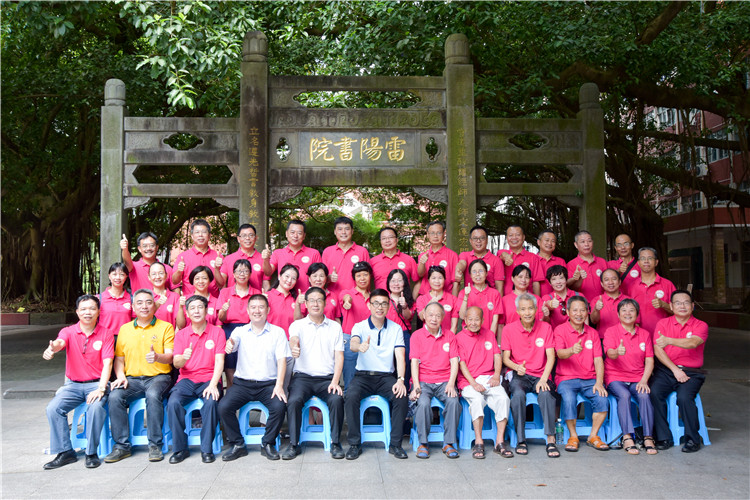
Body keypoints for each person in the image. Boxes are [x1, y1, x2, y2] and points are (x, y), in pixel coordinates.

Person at [42, 294, 114, 469]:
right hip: (73, 385)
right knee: (53, 409)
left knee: (95, 408)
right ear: (77, 312)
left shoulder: (106, 333)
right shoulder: (68, 331)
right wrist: (52, 349)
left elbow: (108, 363)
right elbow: (60, 343)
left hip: (96, 383)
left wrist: (101, 389)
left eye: (92, 309)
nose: (87, 312)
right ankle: (66, 452)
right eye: (83, 309)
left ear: (99, 312)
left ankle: (91, 452)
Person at [104, 289, 174, 463]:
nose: (144, 306)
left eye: (149, 302)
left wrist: (157, 357)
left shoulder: (165, 327)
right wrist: (120, 376)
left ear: (154, 306)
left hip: (158, 377)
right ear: (133, 307)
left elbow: (170, 356)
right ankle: (122, 446)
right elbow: (119, 359)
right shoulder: (125, 329)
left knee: (153, 394)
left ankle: (155, 445)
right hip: (133, 380)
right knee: (115, 396)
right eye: (140, 303)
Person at [218, 294, 290, 461]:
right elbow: (232, 342)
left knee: (279, 406)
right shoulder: (240, 331)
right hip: (242, 385)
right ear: (248, 311)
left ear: (268, 310)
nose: (257, 311)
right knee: (224, 407)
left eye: (261, 307)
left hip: (268, 384)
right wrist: (229, 344)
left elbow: (282, 361)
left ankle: (268, 443)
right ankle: (238, 444)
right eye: (253, 307)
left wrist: (279, 385)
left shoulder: (278, 332)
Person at [344, 289, 409, 460]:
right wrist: (359, 346)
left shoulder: (396, 329)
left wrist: (400, 380)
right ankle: (354, 444)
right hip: (363, 376)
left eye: (384, 304)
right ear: (369, 305)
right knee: (350, 395)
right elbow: (353, 344)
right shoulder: (360, 326)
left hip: (385, 377)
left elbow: (400, 356)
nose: (380, 307)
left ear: (389, 306)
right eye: (376, 303)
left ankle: (395, 444)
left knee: (401, 396)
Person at [282, 287, 346, 460]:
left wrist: (335, 381)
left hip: (327, 379)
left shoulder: (335, 327)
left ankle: (335, 442)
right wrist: (294, 346)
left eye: (319, 300)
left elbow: (339, 356)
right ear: (306, 303)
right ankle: (294, 444)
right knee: (294, 401)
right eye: (311, 300)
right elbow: (293, 339)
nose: (315, 304)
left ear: (325, 303)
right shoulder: (297, 325)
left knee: (336, 399)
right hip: (302, 378)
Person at [166, 295, 225, 464]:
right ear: (187, 313)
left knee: (211, 402)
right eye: (192, 308)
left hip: (209, 379)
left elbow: (220, 361)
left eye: (200, 307)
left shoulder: (217, 332)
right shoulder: (181, 334)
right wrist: (183, 358)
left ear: (206, 310)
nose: (196, 311)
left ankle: (206, 448)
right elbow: (176, 364)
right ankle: (180, 449)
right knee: (173, 403)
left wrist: (213, 385)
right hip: (187, 379)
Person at [501, 293, 559, 458]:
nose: (527, 313)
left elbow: (551, 356)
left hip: (541, 374)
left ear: (536, 310)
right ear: (518, 311)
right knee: (518, 395)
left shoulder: (546, 328)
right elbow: (506, 358)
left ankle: (550, 438)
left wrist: (544, 379)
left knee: (546, 394)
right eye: (523, 309)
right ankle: (521, 439)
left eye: (530, 308)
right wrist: (516, 367)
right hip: (520, 374)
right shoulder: (508, 329)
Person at [650, 290, 708, 453]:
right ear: (671, 306)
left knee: (684, 398)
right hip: (667, 370)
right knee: (654, 392)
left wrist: (669, 340)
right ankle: (663, 437)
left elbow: (693, 343)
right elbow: (658, 350)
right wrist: (674, 369)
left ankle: (692, 439)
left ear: (692, 306)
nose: (682, 306)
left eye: (686, 303)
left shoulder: (700, 325)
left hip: (692, 372)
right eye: (678, 303)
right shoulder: (663, 324)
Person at [554, 296, 610, 452]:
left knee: (602, 398)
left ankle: (593, 435)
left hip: (590, 378)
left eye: (582, 310)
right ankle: (573, 436)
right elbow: (559, 353)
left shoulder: (593, 333)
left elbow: (598, 360)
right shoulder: (560, 330)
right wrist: (572, 350)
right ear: (568, 312)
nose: (579, 314)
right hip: (566, 378)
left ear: (587, 312)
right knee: (569, 398)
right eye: (575, 310)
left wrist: (599, 382)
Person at [456, 307, 512, 459]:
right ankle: (478, 441)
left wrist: (496, 375)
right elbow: (462, 364)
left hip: (489, 378)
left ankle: (499, 441)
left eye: (477, 319)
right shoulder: (459, 338)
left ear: (482, 320)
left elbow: (497, 356)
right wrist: (473, 383)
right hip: (469, 380)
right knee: (477, 400)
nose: (473, 323)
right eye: (470, 319)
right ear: (465, 320)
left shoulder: (489, 334)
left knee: (503, 399)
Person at [603, 299, 657, 455]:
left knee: (644, 395)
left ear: (637, 314)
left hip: (638, 377)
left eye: (631, 310)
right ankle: (627, 436)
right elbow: (609, 353)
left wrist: (644, 380)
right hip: (615, 376)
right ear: (618, 314)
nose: (628, 313)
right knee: (624, 395)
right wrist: (617, 352)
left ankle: (648, 437)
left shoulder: (644, 334)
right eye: (624, 310)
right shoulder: (611, 332)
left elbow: (649, 360)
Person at [409, 302, 461, 459]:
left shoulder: (450, 336)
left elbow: (454, 361)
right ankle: (423, 443)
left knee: (453, 401)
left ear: (443, 318)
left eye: (438, 316)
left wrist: (451, 383)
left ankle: (449, 443)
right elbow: (414, 362)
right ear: (424, 316)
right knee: (423, 403)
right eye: (430, 315)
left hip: (445, 381)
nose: (434, 319)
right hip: (424, 381)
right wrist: (416, 386)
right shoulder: (417, 335)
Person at [217, 259, 259, 387]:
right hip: (229, 330)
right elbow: (221, 318)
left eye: (245, 271)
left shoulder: (256, 293)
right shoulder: (225, 292)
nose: (242, 274)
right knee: (230, 366)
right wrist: (224, 310)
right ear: (233, 274)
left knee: (248, 364)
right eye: (239, 271)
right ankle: (232, 391)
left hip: (250, 330)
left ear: (250, 274)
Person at [340, 261, 374, 390]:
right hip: (350, 340)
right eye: (358, 275)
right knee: (350, 379)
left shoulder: (373, 297)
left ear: (370, 276)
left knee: (368, 379)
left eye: (365, 274)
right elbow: (346, 298)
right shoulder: (347, 293)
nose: (362, 278)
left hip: (369, 341)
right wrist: (347, 302)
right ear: (354, 278)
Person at [262, 220, 321, 291]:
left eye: (299, 233)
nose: (295, 236)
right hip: (284, 296)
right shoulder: (278, 253)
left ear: (304, 236)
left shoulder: (314, 253)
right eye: (292, 232)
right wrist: (266, 260)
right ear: (286, 234)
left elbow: (320, 278)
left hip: (306, 295)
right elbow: (268, 273)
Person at [171, 219, 223, 298]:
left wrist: (217, 269)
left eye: (204, 232)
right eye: (197, 232)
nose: (200, 235)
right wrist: (179, 271)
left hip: (213, 301)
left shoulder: (217, 256)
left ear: (209, 235)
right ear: (192, 236)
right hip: (190, 302)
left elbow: (221, 284)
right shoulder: (183, 256)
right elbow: (174, 281)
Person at [629, 247, 675, 335]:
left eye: (650, 258)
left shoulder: (667, 285)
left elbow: (678, 311)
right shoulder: (631, 287)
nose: (646, 261)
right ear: (638, 263)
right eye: (643, 258)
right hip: (639, 336)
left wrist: (663, 305)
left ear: (656, 262)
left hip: (663, 335)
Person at [322, 216, 371, 294]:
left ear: (352, 231)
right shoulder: (327, 252)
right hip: (333, 296)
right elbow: (321, 277)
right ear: (335, 232)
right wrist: (329, 278)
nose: (343, 232)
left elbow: (368, 277)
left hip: (356, 296)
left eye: (347, 229)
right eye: (340, 229)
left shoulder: (362, 251)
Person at [455, 260, 502, 335]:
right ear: (470, 275)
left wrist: (490, 337)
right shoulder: (463, 292)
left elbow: (495, 320)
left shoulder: (495, 294)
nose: (477, 274)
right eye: (474, 271)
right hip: (468, 336)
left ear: (486, 273)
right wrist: (466, 297)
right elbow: (462, 316)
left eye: (481, 271)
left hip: (487, 337)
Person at [499, 265, 547, 336]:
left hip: (533, 337)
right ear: (512, 278)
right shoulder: (504, 300)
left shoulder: (537, 299)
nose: (523, 280)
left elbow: (542, 323)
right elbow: (500, 325)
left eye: (526, 277)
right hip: (511, 337)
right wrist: (500, 342)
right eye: (520, 277)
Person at [415, 221, 459, 298]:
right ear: (428, 235)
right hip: (426, 298)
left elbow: (456, 282)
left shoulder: (452, 255)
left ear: (444, 234)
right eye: (432, 233)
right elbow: (420, 275)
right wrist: (422, 263)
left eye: (439, 233)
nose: (435, 236)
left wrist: (453, 301)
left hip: (445, 298)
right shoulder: (423, 256)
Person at [455, 225, 503, 295]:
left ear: (487, 240)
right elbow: (462, 263)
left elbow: (499, 288)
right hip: (469, 299)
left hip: (489, 300)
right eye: (475, 238)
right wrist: (458, 270)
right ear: (470, 241)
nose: (478, 241)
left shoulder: (496, 260)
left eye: (482, 238)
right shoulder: (465, 255)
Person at [498, 225, 544, 296]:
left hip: (527, 299)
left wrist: (537, 300)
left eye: (517, 235)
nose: (514, 238)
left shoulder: (533, 258)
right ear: (507, 238)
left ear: (523, 237)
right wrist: (506, 257)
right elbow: (502, 254)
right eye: (510, 235)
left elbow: (536, 282)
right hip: (506, 299)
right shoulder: (500, 255)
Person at [220, 223, 265, 292]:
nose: (247, 238)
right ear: (238, 239)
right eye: (244, 235)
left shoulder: (263, 260)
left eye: (251, 235)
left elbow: (266, 284)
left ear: (256, 238)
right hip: (232, 298)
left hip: (255, 298)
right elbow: (222, 283)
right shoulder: (228, 259)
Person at [416, 266, 459, 335]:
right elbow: (421, 317)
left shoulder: (453, 299)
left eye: (440, 278)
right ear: (428, 280)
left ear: (444, 279)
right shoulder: (421, 299)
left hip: (447, 338)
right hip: (427, 337)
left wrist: (449, 339)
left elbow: (454, 326)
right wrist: (430, 303)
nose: (437, 281)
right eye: (433, 278)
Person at [566, 230, 608, 302]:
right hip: (581, 304)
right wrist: (575, 279)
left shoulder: (602, 262)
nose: (586, 244)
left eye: (589, 241)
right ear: (576, 245)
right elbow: (568, 287)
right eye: (582, 242)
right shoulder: (571, 264)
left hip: (602, 302)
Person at [590, 268, 631, 338]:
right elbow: (594, 321)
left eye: (614, 279)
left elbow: (635, 323)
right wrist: (596, 309)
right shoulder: (596, 300)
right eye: (606, 280)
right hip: (603, 338)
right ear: (602, 284)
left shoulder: (629, 300)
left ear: (619, 282)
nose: (610, 282)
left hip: (625, 339)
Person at [266, 264, 302, 337]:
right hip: (270, 339)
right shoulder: (267, 296)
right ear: (279, 276)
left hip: (290, 340)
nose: (289, 280)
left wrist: (298, 304)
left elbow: (299, 322)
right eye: (287, 276)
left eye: (293, 278)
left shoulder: (296, 300)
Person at [98, 262, 134, 339]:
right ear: (109, 276)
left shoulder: (132, 299)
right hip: (104, 338)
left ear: (126, 277)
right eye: (114, 274)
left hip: (126, 338)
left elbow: (134, 320)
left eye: (122, 274)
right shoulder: (99, 298)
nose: (118, 277)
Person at [542, 265, 580, 329]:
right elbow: (547, 304)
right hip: (555, 334)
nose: (558, 282)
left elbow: (585, 321)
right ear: (549, 283)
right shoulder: (546, 298)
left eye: (561, 278)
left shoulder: (578, 296)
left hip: (576, 333)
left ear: (566, 279)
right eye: (554, 279)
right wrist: (550, 304)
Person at [148, 262, 180, 327]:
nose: (157, 277)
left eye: (161, 273)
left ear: (166, 275)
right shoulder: (146, 297)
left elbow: (178, 324)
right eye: (154, 274)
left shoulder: (175, 297)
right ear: (149, 277)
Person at [536, 230, 567, 297]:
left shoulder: (560, 261)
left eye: (553, 241)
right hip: (535, 300)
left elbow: (566, 282)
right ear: (538, 242)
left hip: (557, 300)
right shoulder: (533, 260)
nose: (550, 243)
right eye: (547, 240)